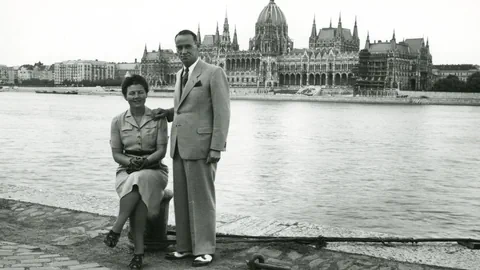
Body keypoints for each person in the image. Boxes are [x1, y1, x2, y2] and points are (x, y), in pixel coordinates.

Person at [155, 29, 230, 267]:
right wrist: (167, 113)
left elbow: (222, 113)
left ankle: (205, 248)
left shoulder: (213, 72)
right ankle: (184, 247)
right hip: (179, 146)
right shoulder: (180, 74)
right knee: (183, 200)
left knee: (202, 200)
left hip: (202, 146)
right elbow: (184, 108)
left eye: (188, 46)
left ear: (198, 47)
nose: (183, 51)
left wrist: (217, 147)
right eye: (179, 48)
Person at [105, 74, 169, 270]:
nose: (136, 96)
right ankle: (138, 255)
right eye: (132, 93)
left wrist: (146, 161)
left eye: (140, 92)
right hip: (126, 170)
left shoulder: (158, 118)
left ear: (146, 93)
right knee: (137, 187)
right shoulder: (117, 121)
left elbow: (161, 151)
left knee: (138, 179)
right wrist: (132, 161)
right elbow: (116, 154)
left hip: (155, 170)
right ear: (125, 96)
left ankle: (117, 228)